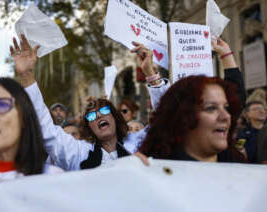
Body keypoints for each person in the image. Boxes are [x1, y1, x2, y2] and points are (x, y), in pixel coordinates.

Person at [12, 35, 170, 171]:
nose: (99, 115)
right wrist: (27, 76)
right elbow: (47, 131)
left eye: (105, 111)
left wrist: (150, 73)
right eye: (92, 115)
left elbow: (167, 120)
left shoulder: (139, 141)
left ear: (115, 118)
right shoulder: (78, 153)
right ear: (89, 127)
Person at [139, 75, 245, 163]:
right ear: (183, 119)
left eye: (226, 108)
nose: (225, 116)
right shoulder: (152, 175)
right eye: (211, 108)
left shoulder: (243, 172)